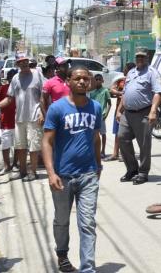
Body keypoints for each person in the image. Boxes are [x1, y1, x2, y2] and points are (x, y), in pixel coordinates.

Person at [42, 66, 102, 273]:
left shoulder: (96, 107)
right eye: (77, 78)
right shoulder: (57, 109)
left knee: (87, 223)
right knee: (62, 220)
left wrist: (98, 164)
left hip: (88, 175)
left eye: (86, 79)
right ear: (68, 81)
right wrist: (51, 173)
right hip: (62, 176)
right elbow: (47, 142)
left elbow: (96, 138)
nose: (82, 82)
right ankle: (62, 255)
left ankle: (88, 268)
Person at [116, 50, 161, 185]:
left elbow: (157, 92)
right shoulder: (131, 72)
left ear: (147, 58)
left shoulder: (152, 72)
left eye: (142, 57)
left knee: (144, 144)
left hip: (144, 112)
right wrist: (119, 110)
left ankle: (143, 172)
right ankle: (132, 169)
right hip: (128, 113)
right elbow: (125, 93)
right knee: (121, 138)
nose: (140, 59)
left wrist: (153, 111)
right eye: (138, 57)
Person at [0, 55, 45, 181]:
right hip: (19, 118)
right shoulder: (15, 78)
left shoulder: (37, 74)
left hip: (34, 116)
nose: (23, 64)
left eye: (25, 61)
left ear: (28, 62)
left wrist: (42, 112)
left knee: (34, 147)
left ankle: (33, 172)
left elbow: (43, 95)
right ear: (17, 64)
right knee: (20, 146)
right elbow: (9, 98)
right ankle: (22, 172)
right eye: (20, 62)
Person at [106, 63, 134, 162]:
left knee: (126, 134)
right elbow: (112, 89)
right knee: (117, 133)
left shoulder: (135, 80)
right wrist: (119, 93)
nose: (124, 70)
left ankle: (124, 154)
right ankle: (115, 154)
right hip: (119, 110)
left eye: (126, 69)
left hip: (130, 111)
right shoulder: (121, 80)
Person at [0, 68, 19, 176]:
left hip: (18, 121)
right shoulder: (3, 88)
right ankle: (6, 166)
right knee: (5, 145)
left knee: (19, 145)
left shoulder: (21, 89)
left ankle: (15, 164)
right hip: (6, 122)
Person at [88, 74, 111, 159]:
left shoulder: (105, 91)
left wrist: (106, 114)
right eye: (96, 79)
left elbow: (109, 104)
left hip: (102, 115)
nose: (97, 81)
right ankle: (94, 151)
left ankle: (103, 151)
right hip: (93, 115)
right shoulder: (92, 92)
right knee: (93, 134)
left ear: (102, 81)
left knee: (103, 133)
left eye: (99, 79)